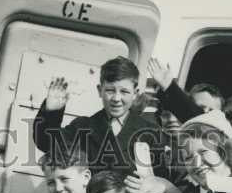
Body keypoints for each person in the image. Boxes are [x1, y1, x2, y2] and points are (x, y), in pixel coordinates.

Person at [33, 57, 162, 178]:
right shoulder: (82, 127)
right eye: (110, 90)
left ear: (135, 93)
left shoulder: (151, 133)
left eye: (124, 91)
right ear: (100, 90)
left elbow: (161, 179)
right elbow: (45, 143)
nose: (116, 98)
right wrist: (51, 112)